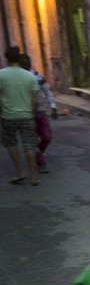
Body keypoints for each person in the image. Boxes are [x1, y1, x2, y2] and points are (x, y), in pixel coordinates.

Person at [0, 46, 40, 185]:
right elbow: (35, 98)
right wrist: (32, 112)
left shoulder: (1, 75)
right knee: (29, 145)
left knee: (11, 143)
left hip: (8, 116)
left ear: (7, 59)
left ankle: (19, 172)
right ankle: (34, 176)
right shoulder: (30, 76)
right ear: (19, 58)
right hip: (26, 115)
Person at [18, 53, 58, 174]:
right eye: (23, 62)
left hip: (40, 112)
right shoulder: (18, 79)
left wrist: (53, 107)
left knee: (47, 137)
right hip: (26, 113)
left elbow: (47, 92)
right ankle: (40, 162)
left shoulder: (38, 76)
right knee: (32, 140)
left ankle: (39, 152)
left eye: (27, 62)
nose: (26, 64)